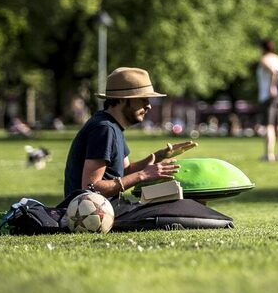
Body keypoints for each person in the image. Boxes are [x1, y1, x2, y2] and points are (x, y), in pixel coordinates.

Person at [62, 67, 196, 200]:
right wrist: (143, 175)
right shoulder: (104, 129)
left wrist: (160, 155)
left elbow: (125, 171)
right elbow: (90, 188)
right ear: (122, 99)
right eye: (143, 99)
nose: (148, 105)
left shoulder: (113, 126)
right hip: (90, 217)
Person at [256, 39, 278, 161]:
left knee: (269, 126)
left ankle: (269, 154)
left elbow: (273, 71)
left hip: (269, 96)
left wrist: (272, 87)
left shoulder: (265, 59)